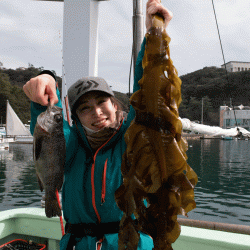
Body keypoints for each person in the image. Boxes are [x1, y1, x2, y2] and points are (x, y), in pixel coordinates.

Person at [23, 1, 173, 249]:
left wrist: (154, 34)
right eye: (84, 108)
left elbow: (147, 88)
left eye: (102, 101)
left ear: (115, 104)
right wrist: (45, 82)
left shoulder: (134, 136)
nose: (96, 111)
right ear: (76, 117)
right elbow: (48, 133)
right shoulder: (70, 145)